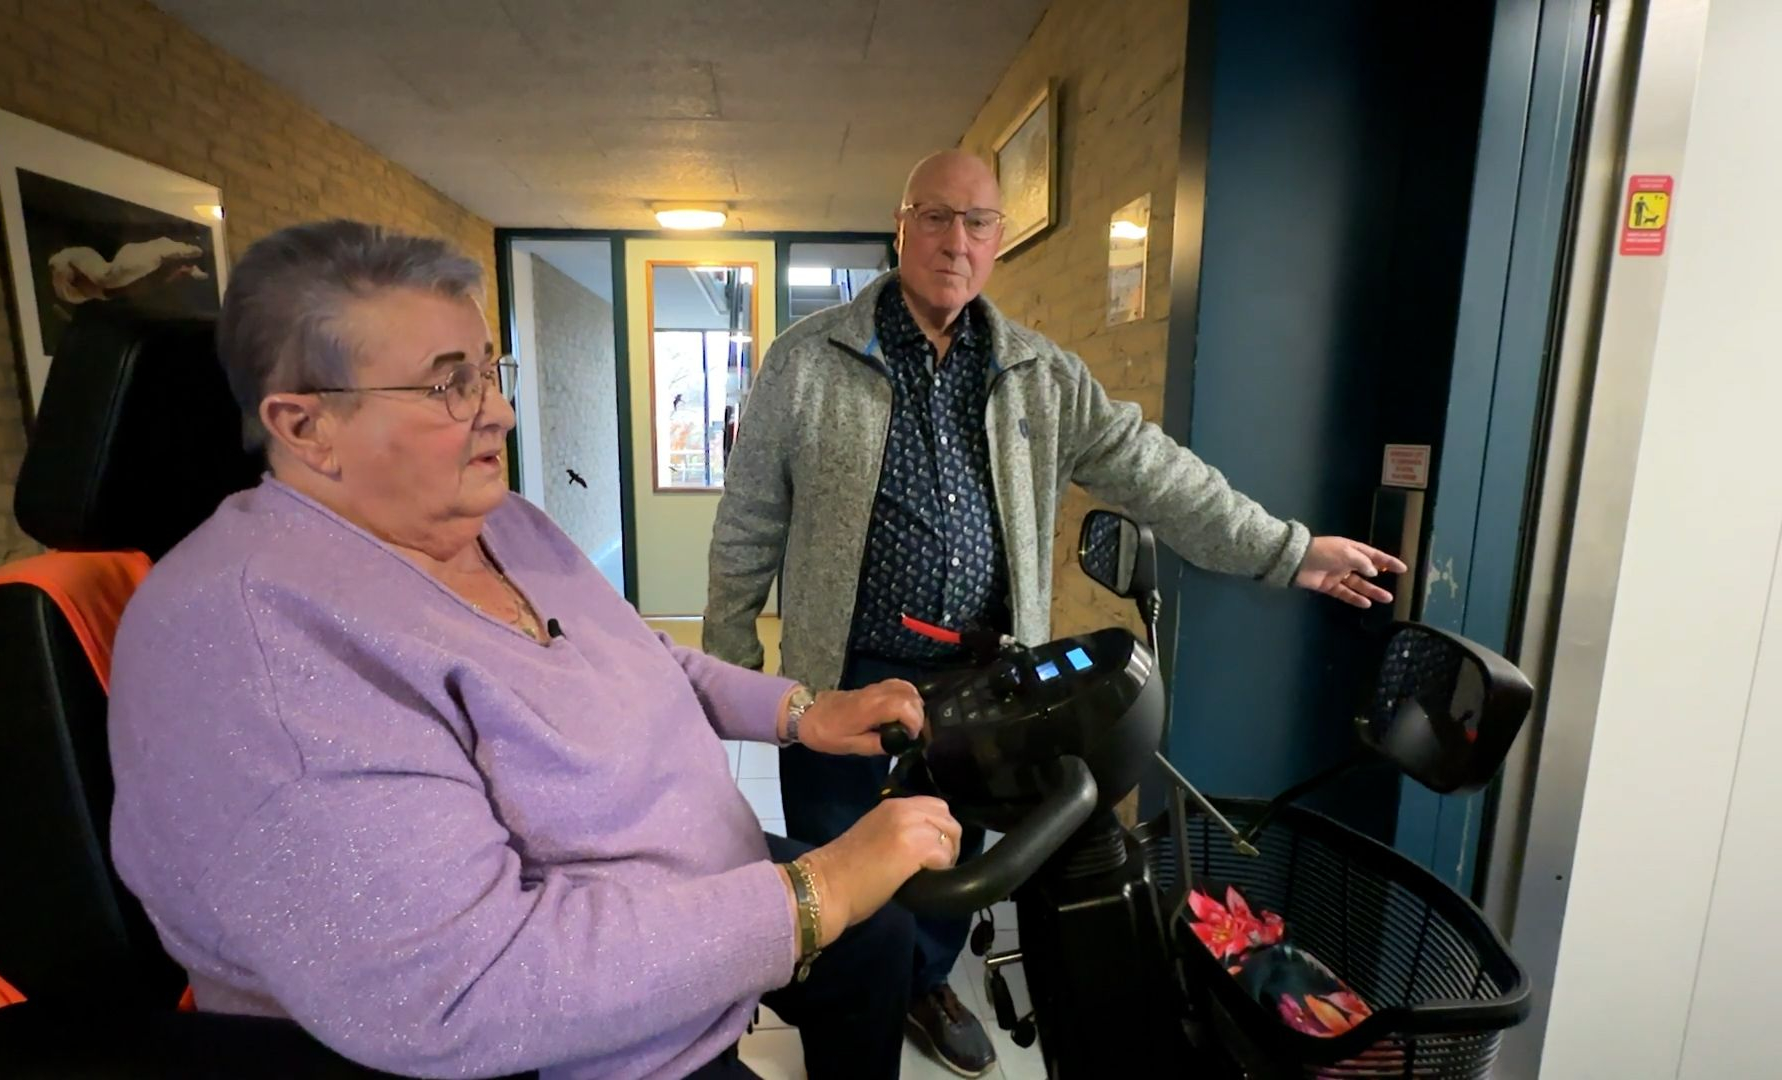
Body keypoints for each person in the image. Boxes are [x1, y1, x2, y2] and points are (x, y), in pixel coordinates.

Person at [107, 220, 967, 1080]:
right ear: (307, 427)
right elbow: (474, 986)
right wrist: (817, 894)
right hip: (591, 1040)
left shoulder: (499, 522)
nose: (501, 411)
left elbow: (642, 658)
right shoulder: (257, 646)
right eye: (449, 385)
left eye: (488, 370)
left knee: (880, 936)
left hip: (696, 905)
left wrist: (803, 714)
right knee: (861, 911)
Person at [704, 151, 1408, 1076]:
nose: (957, 242)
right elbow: (748, 525)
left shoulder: (1040, 373)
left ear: (999, 240)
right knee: (847, 888)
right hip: (852, 678)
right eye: (938, 217)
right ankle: (854, 1037)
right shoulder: (809, 361)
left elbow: (1158, 472)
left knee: (953, 867)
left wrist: (1289, 549)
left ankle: (925, 982)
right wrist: (724, 686)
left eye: (979, 223)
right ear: (903, 223)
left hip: (988, 682)